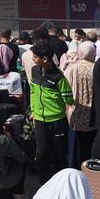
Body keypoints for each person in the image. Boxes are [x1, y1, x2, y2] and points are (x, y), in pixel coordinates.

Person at [30, 42, 74, 184]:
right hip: (39, 120)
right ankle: (45, 185)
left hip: (57, 121)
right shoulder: (34, 71)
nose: (33, 59)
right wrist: (33, 110)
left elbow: (69, 98)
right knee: (41, 153)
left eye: (35, 57)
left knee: (59, 154)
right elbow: (32, 91)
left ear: (45, 59)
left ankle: (61, 184)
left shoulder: (59, 77)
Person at [64, 42, 97, 168]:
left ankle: (75, 169)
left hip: (75, 111)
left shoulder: (72, 68)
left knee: (75, 145)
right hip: (92, 113)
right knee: (89, 144)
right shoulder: (95, 68)